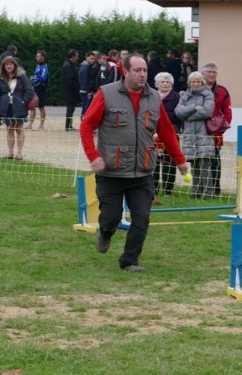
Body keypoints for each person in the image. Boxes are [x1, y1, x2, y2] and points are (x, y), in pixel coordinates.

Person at [79, 53, 188, 272]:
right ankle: (105, 232)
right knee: (111, 217)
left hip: (143, 170)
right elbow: (86, 125)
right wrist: (94, 156)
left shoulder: (155, 97)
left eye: (145, 70)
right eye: (137, 70)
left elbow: (166, 130)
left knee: (142, 217)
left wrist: (180, 160)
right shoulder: (106, 94)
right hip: (112, 171)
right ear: (125, 71)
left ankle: (130, 260)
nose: (142, 74)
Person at [174, 71, 215, 199]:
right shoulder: (185, 95)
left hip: (204, 134)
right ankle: (196, 191)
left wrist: (188, 116)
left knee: (205, 164)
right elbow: (178, 112)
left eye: (198, 81)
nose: (196, 84)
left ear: (202, 82)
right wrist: (194, 108)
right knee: (195, 164)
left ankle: (209, 193)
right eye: (193, 81)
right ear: (189, 83)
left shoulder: (208, 94)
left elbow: (207, 111)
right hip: (190, 134)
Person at [0, 56, 34, 160]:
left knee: (19, 129)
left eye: (10, 64)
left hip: (19, 107)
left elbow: (29, 90)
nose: (8, 66)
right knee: (10, 130)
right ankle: (10, 153)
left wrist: (23, 102)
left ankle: (19, 153)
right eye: (6, 64)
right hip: (6, 108)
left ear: (15, 65)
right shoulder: (0, 77)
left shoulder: (21, 76)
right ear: (3, 66)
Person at [201, 62, 232, 196]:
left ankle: (215, 189)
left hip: (215, 133)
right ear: (203, 73)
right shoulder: (195, 88)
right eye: (209, 71)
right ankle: (199, 188)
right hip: (199, 131)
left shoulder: (222, 91)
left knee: (215, 160)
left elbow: (227, 112)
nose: (211, 74)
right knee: (198, 160)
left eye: (214, 72)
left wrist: (221, 128)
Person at [153, 72, 181, 196]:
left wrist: (162, 117)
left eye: (167, 82)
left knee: (168, 161)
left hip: (171, 132)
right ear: (157, 84)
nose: (165, 84)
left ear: (172, 84)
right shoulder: (151, 96)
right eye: (162, 81)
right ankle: (152, 188)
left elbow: (178, 115)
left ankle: (167, 190)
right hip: (152, 132)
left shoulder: (177, 97)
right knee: (153, 161)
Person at [26, 50, 49, 130]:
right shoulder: (38, 66)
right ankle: (30, 124)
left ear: (43, 57)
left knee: (41, 107)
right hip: (35, 88)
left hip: (41, 88)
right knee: (32, 106)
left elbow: (43, 78)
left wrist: (34, 78)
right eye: (37, 56)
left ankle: (41, 125)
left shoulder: (44, 66)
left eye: (38, 56)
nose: (36, 57)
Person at [59, 49, 79, 131]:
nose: (78, 58)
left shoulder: (69, 65)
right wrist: (77, 87)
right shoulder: (68, 66)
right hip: (70, 92)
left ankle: (69, 125)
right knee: (70, 108)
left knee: (71, 108)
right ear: (73, 56)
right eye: (77, 56)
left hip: (70, 91)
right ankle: (68, 126)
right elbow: (70, 80)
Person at [79, 51, 96, 118]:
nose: (93, 60)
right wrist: (89, 91)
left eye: (93, 59)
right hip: (86, 91)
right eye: (91, 58)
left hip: (84, 90)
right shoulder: (86, 67)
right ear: (86, 58)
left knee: (85, 109)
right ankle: (83, 124)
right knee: (85, 109)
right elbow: (85, 80)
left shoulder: (84, 66)